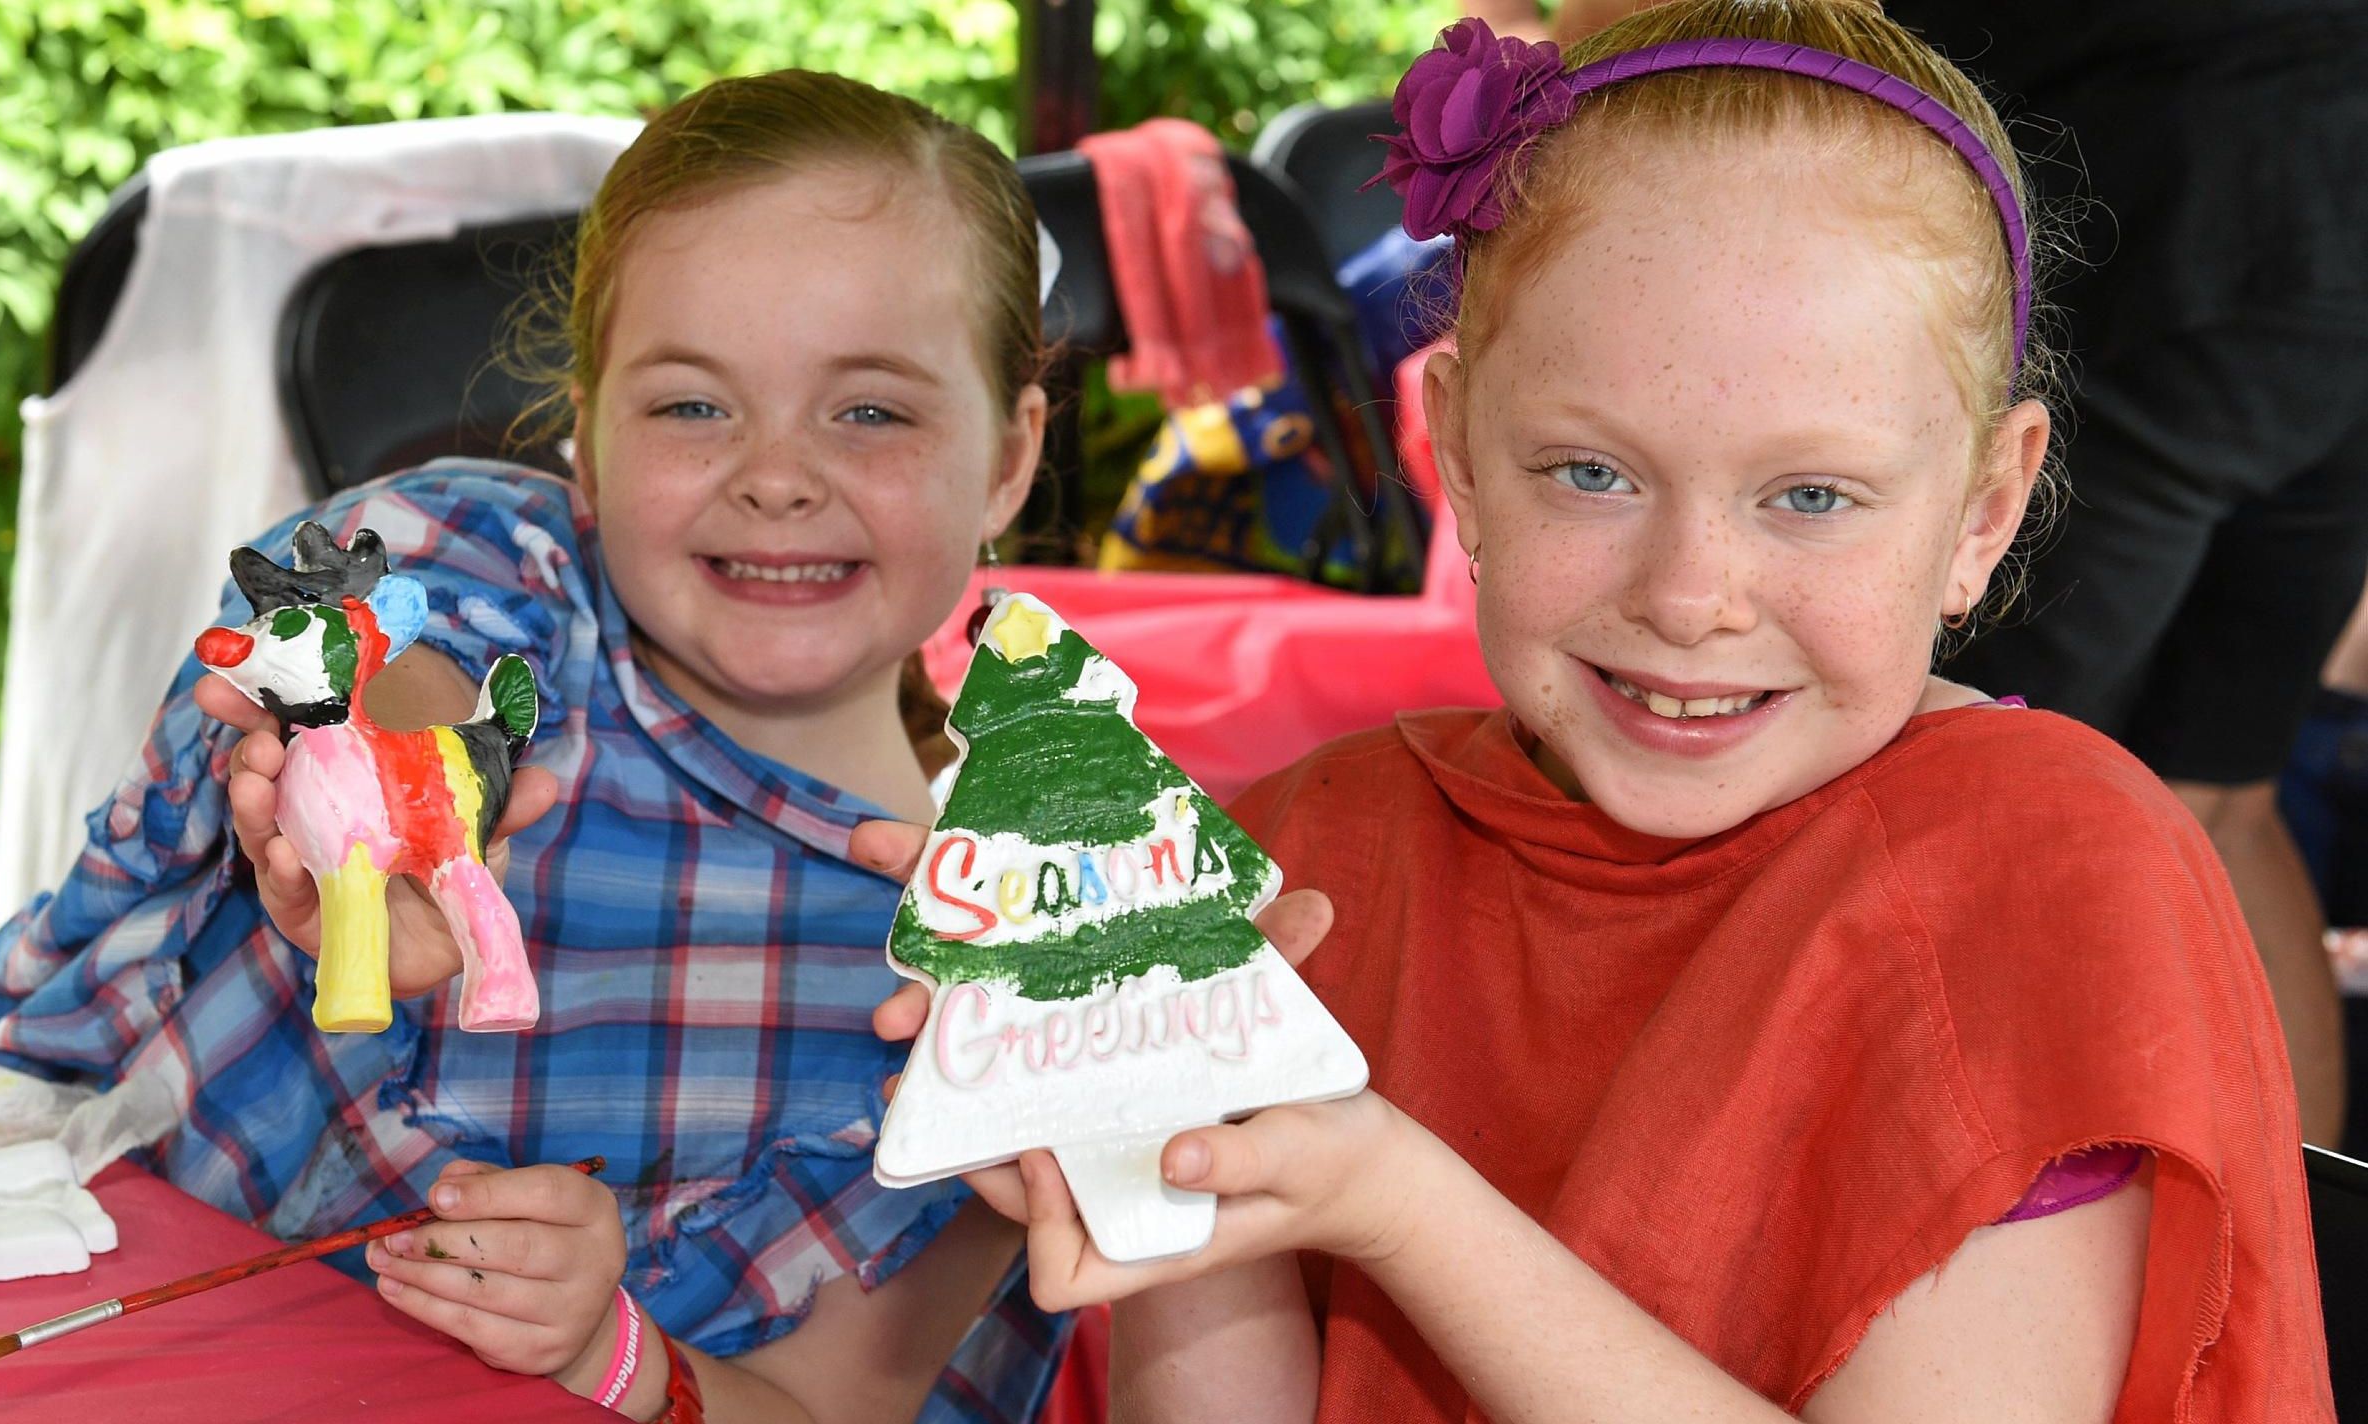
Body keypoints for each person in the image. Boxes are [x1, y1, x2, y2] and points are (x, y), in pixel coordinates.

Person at [869, 3, 2331, 1417]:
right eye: (1590, 473)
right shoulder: (1317, 844)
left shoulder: (2047, 875)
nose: (1692, 595)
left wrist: (1393, 1199)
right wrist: (1168, 1156)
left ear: (1983, 510)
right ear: (1455, 449)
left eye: (1809, 497)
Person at [0, 71, 1065, 1423]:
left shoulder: (1008, 973)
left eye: (871, 411)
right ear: (587, 445)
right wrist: (397, 796)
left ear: (1011, 455)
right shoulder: (501, 561)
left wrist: (606, 1348)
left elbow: (823, 1405)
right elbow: (400, 659)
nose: (777, 475)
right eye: (692, 407)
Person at [1559, 0, 2368, 1153]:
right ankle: (2303, 1299)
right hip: (2332, 200)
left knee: (1944, 807)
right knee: (2225, 797)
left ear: (1999, 501)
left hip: (2146, 204)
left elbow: (1644, 41)